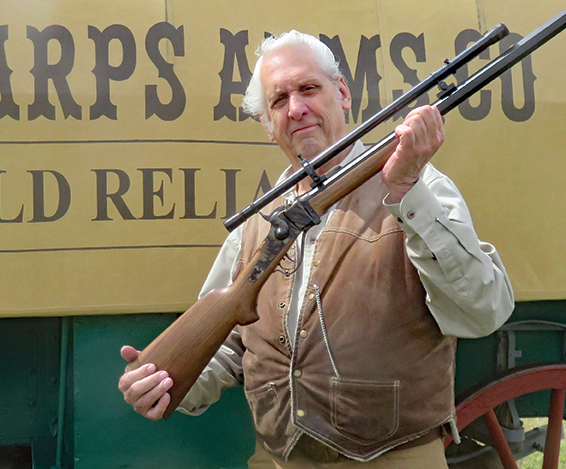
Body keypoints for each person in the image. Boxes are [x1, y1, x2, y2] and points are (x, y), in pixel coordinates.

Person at [119, 30, 514, 467]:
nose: (297, 108)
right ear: (269, 126)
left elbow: (484, 310)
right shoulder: (257, 224)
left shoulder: (420, 190)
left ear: (341, 93)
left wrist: (406, 191)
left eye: (309, 89)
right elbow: (230, 346)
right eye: (279, 100)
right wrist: (166, 383)